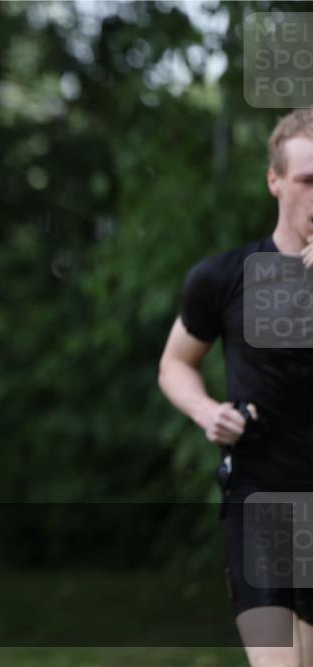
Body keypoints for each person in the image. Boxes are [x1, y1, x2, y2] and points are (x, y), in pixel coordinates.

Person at [159, 108, 313, 667]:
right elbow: (175, 363)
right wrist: (206, 412)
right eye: (307, 181)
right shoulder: (224, 277)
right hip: (259, 502)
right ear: (274, 180)